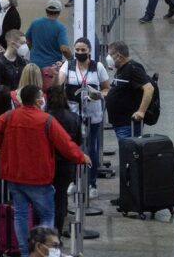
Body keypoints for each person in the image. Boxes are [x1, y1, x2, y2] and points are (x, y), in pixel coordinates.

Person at [0, 85, 90, 257]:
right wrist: (81, 156)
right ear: (37, 100)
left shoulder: (10, 116)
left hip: (14, 175)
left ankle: (26, 253)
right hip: (38, 178)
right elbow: (65, 144)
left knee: (21, 215)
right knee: (47, 215)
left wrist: (2, 144)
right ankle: (44, 253)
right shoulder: (46, 120)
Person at [56, 38, 110, 198]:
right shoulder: (68, 65)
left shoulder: (98, 67)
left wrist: (98, 94)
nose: (80, 52)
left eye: (83, 50)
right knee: (73, 147)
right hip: (73, 115)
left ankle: (92, 183)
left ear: (89, 51)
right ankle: (72, 181)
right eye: (77, 50)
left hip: (93, 113)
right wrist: (58, 77)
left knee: (92, 148)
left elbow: (107, 88)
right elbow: (58, 83)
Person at [44, 85, 80, 235]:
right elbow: (78, 142)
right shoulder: (74, 118)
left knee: (45, 198)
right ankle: (57, 233)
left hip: (46, 163)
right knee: (61, 197)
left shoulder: (44, 118)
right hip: (66, 164)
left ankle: (44, 232)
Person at [105, 41, 155, 140]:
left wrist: (141, 111)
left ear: (118, 56)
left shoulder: (133, 68)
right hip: (120, 123)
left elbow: (149, 88)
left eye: (110, 54)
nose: (108, 58)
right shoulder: (121, 69)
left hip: (128, 124)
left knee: (129, 149)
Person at [26, 0, 71, 86]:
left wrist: (33, 50)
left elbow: (27, 41)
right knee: (51, 92)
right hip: (51, 68)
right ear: (59, 12)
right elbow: (64, 49)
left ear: (46, 10)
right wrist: (71, 59)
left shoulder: (35, 23)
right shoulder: (60, 28)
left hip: (34, 66)